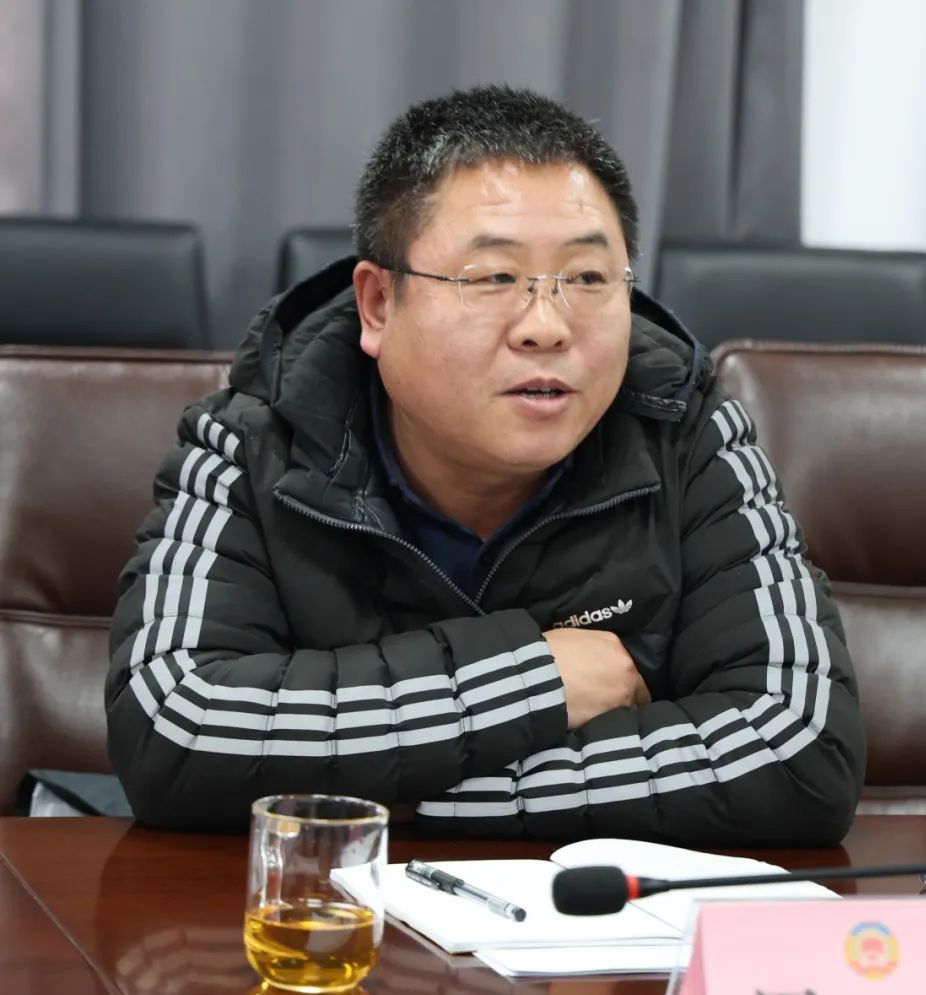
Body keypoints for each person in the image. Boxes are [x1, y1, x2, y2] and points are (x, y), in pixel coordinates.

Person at [106, 85, 864, 842]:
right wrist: (534, 682)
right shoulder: (251, 441)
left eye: (588, 279)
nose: (546, 326)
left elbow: (798, 745)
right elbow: (176, 726)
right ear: (377, 305)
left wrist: (402, 798)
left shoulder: (685, 430)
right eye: (494, 278)